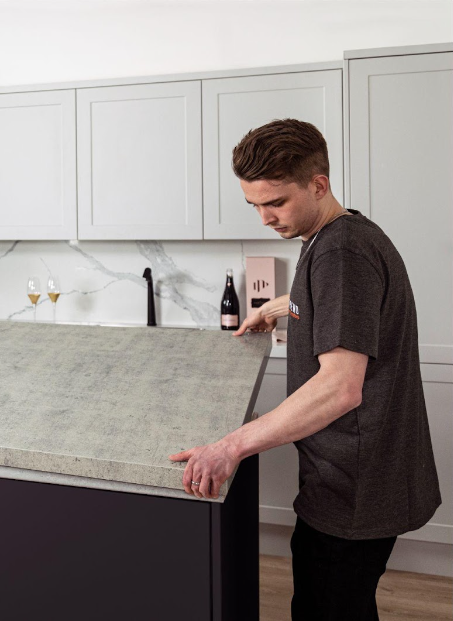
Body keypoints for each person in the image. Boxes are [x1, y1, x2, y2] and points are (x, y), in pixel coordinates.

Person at [168, 119, 441, 620]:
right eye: (254, 205)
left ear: (318, 184)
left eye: (276, 202)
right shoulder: (341, 234)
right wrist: (279, 307)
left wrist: (229, 447)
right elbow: (347, 307)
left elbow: (339, 388)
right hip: (358, 475)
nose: (265, 218)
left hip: (353, 486)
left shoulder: (340, 251)